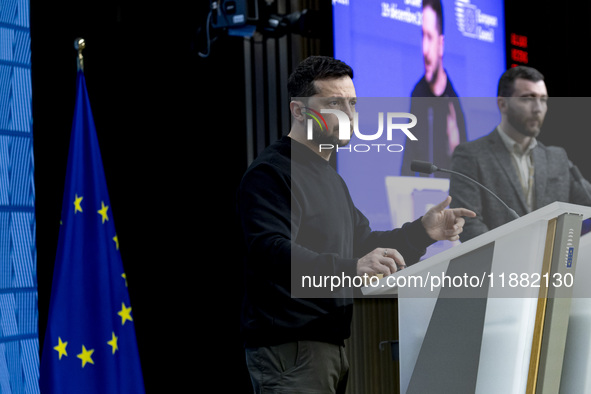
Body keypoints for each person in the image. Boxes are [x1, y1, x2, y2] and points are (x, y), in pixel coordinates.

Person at [237, 55, 476, 393]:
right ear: (299, 111)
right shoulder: (271, 173)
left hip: (327, 347)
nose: (349, 115)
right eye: (334, 103)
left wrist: (424, 231)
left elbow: (362, 243)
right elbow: (272, 253)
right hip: (291, 348)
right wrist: (352, 269)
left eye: (352, 103)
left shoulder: (331, 178)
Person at [449, 65, 591, 242]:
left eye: (543, 99)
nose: (538, 108)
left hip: (555, 267)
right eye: (527, 98)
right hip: (500, 267)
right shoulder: (471, 155)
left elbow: (587, 206)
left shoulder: (558, 157)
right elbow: (468, 224)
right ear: (503, 104)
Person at [401, 0, 467, 177]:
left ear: (441, 44)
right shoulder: (418, 94)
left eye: (429, 37)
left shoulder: (454, 101)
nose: (424, 49)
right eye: (422, 36)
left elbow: (466, 168)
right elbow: (408, 158)